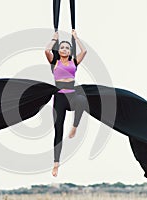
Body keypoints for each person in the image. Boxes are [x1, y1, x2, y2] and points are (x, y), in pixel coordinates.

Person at [45, 30, 88, 177]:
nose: (64, 49)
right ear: (59, 50)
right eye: (62, 47)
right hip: (59, 99)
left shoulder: (74, 62)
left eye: (67, 48)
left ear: (70, 51)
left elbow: (84, 51)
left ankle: (75, 127)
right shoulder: (54, 62)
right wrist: (54, 38)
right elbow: (46, 50)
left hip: (72, 96)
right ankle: (56, 164)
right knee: (58, 130)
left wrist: (76, 38)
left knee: (82, 99)